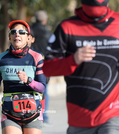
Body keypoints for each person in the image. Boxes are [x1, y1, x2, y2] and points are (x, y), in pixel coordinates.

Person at [43, 0, 119, 134]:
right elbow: (47, 68)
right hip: (79, 117)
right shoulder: (67, 27)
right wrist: (73, 60)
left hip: (113, 113)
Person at [0, 20, 46, 134]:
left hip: (33, 114)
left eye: (21, 32)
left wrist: (28, 80)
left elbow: (42, 88)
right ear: (9, 37)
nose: (17, 34)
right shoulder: (0, 59)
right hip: (9, 113)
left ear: (28, 38)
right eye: (13, 32)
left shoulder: (37, 57)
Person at [31, 10, 52, 126]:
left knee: (30, 90)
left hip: (29, 64)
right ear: (45, 20)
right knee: (44, 91)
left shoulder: (29, 32)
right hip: (44, 66)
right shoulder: (48, 34)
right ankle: (44, 117)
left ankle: (32, 115)